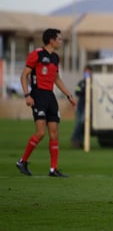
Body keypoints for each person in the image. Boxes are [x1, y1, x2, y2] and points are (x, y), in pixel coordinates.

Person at [16, 28, 76, 177]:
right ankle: (22, 161)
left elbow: (57, 79)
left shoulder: (55, 57)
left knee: (54, 134)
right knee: (41, 132)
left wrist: (69, 95)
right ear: (52, 40)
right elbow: (24, 76)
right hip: (38, 95)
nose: (61, 42)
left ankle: (53, 169)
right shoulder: (36, 54)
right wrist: (27, 95)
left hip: (50, 97)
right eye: (59, 39)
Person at [70, 65, 92, 149]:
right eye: (85, 71)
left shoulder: (92, 83)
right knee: (79, 123)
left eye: (88, 72)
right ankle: (78, 140)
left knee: (83, 123)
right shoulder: (81, 83)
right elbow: (77, 92)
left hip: (88, 107)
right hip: (80, 106)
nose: (86, 73)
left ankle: (76, 139)